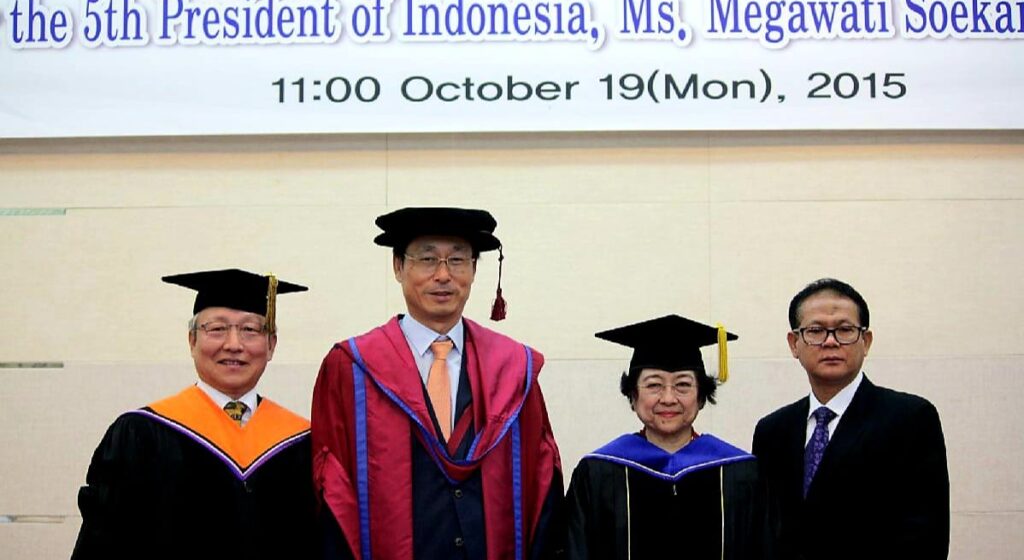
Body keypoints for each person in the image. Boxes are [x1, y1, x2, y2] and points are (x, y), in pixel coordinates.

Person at [311, 206, 565, 560]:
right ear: (398, 267)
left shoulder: (513, 369)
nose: (443, 275)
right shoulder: (351, 368)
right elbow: (333, 491)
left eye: (458, 260)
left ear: (475, 269)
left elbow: (541, 487)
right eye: (427, 259)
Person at [71, 268, 316, 560]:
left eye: (250, 330)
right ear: (192, 341)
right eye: (217, 329)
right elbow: (103, 546)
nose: (234, 344)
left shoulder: (303, 443)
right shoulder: (141, 435)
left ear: (271, 345)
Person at [752, 278, 949, 560]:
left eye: (845, 330)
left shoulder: (910, 419)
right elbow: (763, 532)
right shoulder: (772, 431)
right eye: (816, 330)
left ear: (865, 341)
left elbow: (926, 536)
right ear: (794, 343)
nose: (831, 341)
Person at [566, 314, 769, 560]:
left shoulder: (741, 473)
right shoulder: (598, 473)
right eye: (654, 385)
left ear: (702, 397)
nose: (669, 398)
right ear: (632, 396)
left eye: (683, 385)